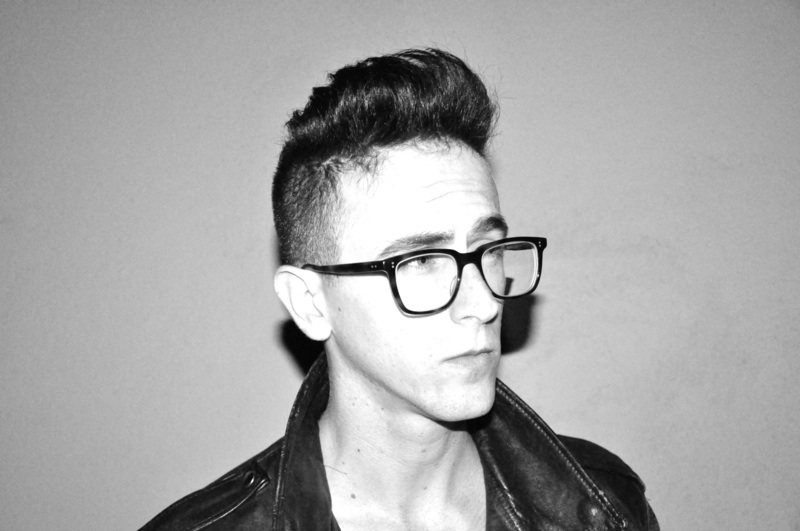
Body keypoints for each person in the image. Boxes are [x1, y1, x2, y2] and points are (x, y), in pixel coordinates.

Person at [140, 48, 657, 531]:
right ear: (310, 303)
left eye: (490, 249)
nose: (483, 304)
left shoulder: (602, 503)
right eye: (422, 260)